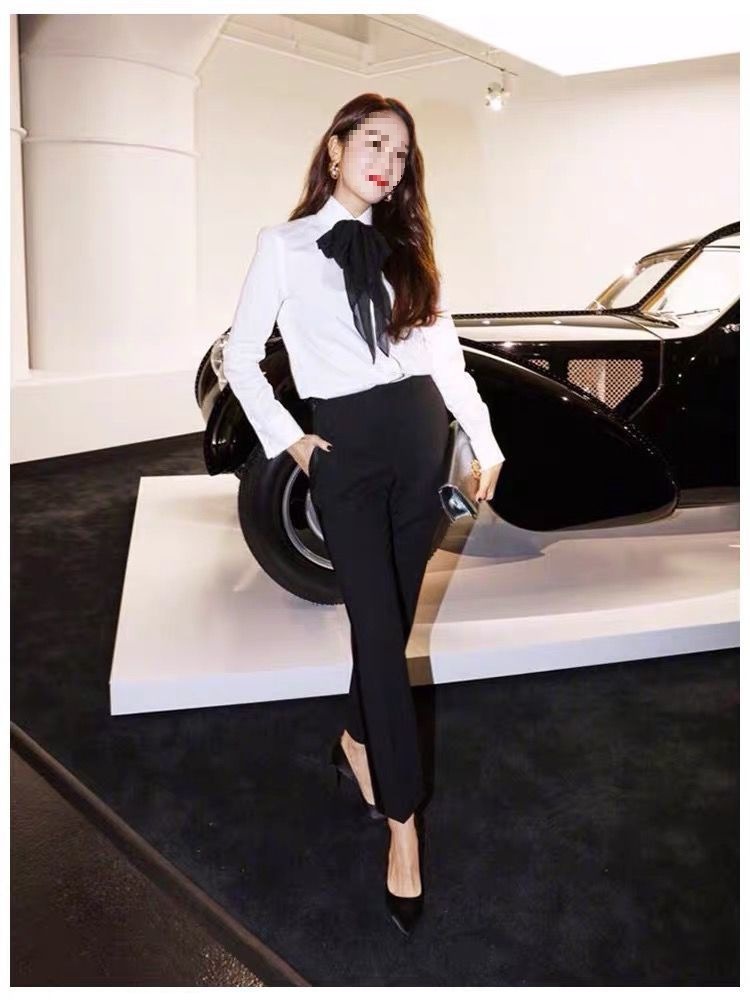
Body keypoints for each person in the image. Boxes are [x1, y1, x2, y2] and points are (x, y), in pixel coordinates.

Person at [222, 93, 504, 936]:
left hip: (420, 446)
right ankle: (403, 824)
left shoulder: (409, 249)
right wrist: (294, 444)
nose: (387, 162)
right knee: (380, 637)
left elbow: (446, 361)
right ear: (336, 148)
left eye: (401, 153)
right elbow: (241, 356)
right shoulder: (284, 246)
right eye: (374, 142)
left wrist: (484, 441)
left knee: (393, 624)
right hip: (344, 455)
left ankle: (355, 738)